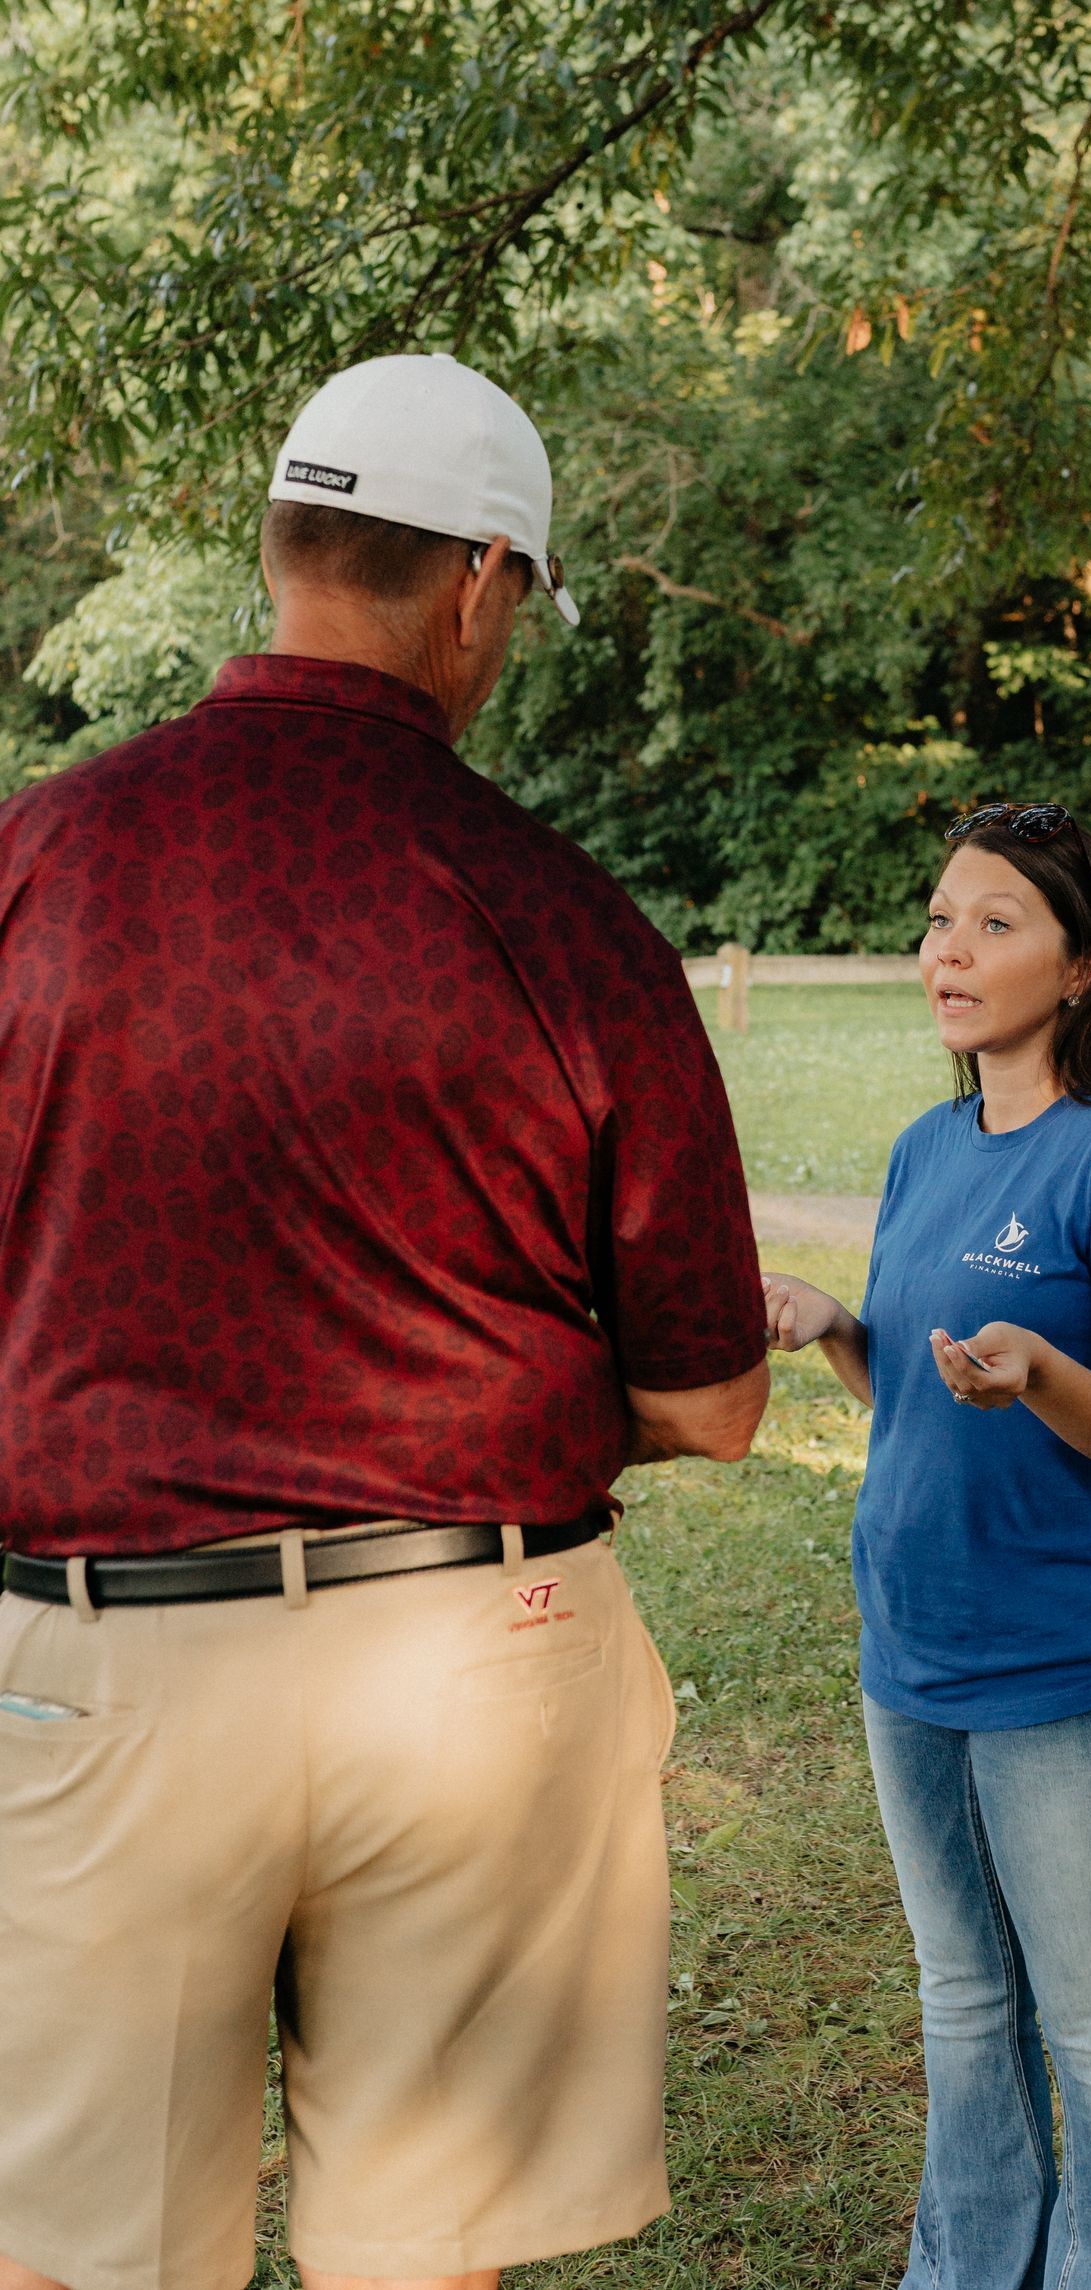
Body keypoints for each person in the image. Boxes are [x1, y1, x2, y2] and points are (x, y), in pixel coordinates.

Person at [0, 354, 769, 2290]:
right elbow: (718, 1395)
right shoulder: (566, 916)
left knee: (80, 2261)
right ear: (485, 584)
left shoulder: (34, 863)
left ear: (280, 549)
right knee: (420, 2262)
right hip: (470, 1654)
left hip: (100, 1661)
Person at [763, 803, 1091, 2290]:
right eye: (940, 918)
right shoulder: (923, 1146)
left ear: (1082, 965)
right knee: (963, 2004)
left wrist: (1044, 1370)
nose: (949, 950)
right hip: (915, 1653)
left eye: (996, 922)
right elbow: (918, 1389)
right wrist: (843, 1326)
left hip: (1080, 1671)